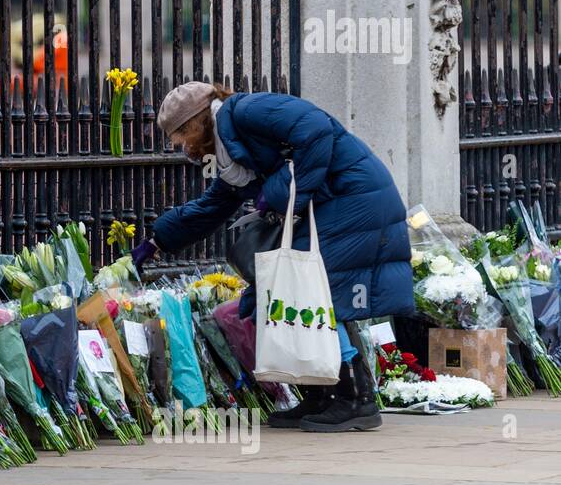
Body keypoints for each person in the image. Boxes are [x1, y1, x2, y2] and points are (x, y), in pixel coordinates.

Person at [132, 82, 413, 432]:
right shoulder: (230, 149)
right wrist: (158, 240)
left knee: (321, 294)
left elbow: (317, 131)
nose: (183, 147)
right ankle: (320, 395)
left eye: (180, 137)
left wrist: (275, 193)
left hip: (353, 195)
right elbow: (214, 205)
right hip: (333, 200)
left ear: (196, 123)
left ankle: (355, 398)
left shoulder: (246, 112)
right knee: (290, 292)